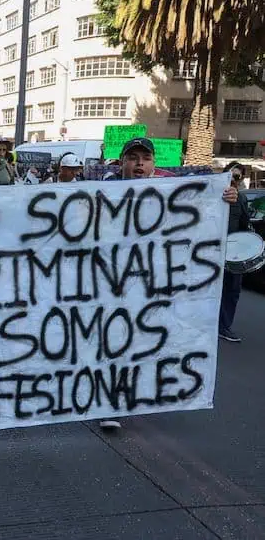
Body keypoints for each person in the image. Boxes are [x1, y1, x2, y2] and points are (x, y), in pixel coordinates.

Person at [97, 137, 239, 430]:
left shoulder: (172, 189)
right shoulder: (104, 189)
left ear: (153, 164)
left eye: (145, 158)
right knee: (115, 340)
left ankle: (139, 391)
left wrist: (224, 200)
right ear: (121, 161)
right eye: (132, 157)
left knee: (145, 340)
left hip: (154, 283)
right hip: (113, 281)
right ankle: (112, 403)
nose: (139, 163)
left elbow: (203, 212)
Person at [219, 162, 250, 343]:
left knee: (232, 291)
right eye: (230, 175)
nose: (233, 179)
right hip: (212, 251)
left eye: (237, 177)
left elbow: (245, 225)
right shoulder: (212, 193)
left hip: (233, 254)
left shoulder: (242, 200)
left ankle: (224, 327)